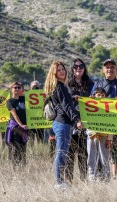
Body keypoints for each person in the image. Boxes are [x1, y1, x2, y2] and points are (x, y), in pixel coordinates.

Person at [89, 58, 117, 181]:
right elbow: (91, 101)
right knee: (104, 153)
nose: (110, 69)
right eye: (107, 67)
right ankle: (105, 176)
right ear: (103, 70)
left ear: (116, 69)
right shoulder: (98, 84)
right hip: (104, 125)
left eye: (112, 67)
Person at [44, 60, 82, 190]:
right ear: (54, 73)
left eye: (63, 69)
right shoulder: (59, 86)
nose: (62, 71)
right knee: (61, 153)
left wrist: (72, 98)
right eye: (58, 70)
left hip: (60, 123)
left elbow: (63, 103)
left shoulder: (58, 86)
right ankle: (58, 182)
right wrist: (77, 119)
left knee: (63, 152)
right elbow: (65, 106)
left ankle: (60, 181)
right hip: (63, 123)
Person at [65, 58, 94, 183]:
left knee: (84, 154)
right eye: (75, 66)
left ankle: (83, 181)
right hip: (70, 122)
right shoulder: (66, 84)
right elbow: (63, 101)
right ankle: (69, 181)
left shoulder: (91, 84)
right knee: (69, 155)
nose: (78, 68)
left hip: (85, 123)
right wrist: (73, 97)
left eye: (81, 66)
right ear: (72, 69)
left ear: (84, 68)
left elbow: (96, 100)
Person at [86, 88, 112, 181]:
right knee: (91, 157)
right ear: (94, 95)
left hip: (104, 136)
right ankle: (92, 176)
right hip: (92, 135)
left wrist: (109, 138)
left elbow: (112, 124)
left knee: (104, 157)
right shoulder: (89, 105)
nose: (100, 96)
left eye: (102, 95)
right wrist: (88, 101)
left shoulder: (108, 107)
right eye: (98, 94)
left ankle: (106, 176)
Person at [5, 82, 28, 168]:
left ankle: (22, 167)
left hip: (24, 127)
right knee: (15, 148)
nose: (17, 89)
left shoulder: (24, 99)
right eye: (15, 88)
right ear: (11, 89)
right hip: (15, 127)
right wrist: (21, 125)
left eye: (18, 87)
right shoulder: (10, 101)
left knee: (23, 148)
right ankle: (14, 167)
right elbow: (14, 114)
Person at [29, 80, 45, 145]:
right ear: (30, 87)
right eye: (34, 86)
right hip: (30, 120)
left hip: (40, 121)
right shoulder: (26, 95)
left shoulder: (43, 95)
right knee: (30, 140)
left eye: (37, 86)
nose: (35, 88)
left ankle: (40, 152)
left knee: (41, 140)